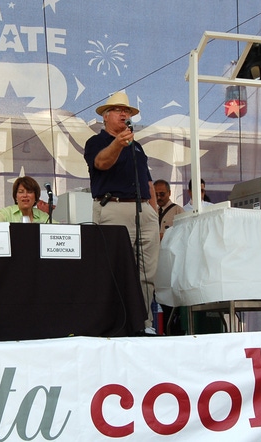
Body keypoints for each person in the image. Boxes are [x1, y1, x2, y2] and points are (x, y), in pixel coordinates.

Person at [84, 91, 160, 334]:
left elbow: (148, 183)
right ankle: (116, 322)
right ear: (106, 117)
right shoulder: (96, 142)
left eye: (126, 111)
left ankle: (144, 322)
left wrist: (154, 215)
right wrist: (118, 143)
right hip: (113, 208)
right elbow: (101, 164)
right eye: (119, 110)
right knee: (115, 268)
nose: (124, 114)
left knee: (147, 271)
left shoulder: (137, 146)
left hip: (143, 210)